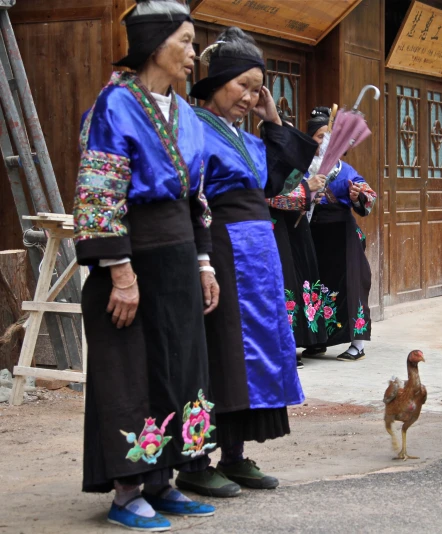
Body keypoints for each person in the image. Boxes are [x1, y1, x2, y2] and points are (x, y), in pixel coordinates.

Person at [73, 1, 218, 530]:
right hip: (134, 259)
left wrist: (204, 263)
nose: (192, 52)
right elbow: (99, 195)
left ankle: (165, 480)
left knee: (178, 367)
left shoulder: (185, 112)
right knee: (131, 373)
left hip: (179, 259)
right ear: (156, 44)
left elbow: (196, 196)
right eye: (185, 40)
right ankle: (128, 491)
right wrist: (120, 272)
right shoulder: (114, 105)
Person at [175, 27, 317, 497]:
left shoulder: (246, 137)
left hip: (258, 256)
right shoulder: (192, 125)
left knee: (249, 359)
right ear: (215, 82)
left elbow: (284, 179)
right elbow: (190, 194)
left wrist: (271, 115)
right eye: (244, 86)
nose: (251, 97)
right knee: (218, 354)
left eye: (258, 89)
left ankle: (234, 453)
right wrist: (202, 261)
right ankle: (195, 459)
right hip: (219, 248)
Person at [301, 106, 377, 362]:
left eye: (329, 137)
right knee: (313, 286)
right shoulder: (301, 168)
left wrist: (358, 195)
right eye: (320, 136)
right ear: (309, 139)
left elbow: (368, 195)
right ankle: (317, 340)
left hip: (342, 235)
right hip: (311, 235)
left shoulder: (345, 170)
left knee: (352, 285)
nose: (325, 142)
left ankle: (357, 344)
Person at [267, 112, 329, 369]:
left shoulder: (294, 162)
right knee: (284, 282)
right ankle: (286, 343)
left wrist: (310, 193)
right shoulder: (265, 160)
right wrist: (305, 188)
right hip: (273, 227)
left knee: (302, 277)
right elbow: (269, 196)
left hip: (295, 227)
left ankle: (307, 337)